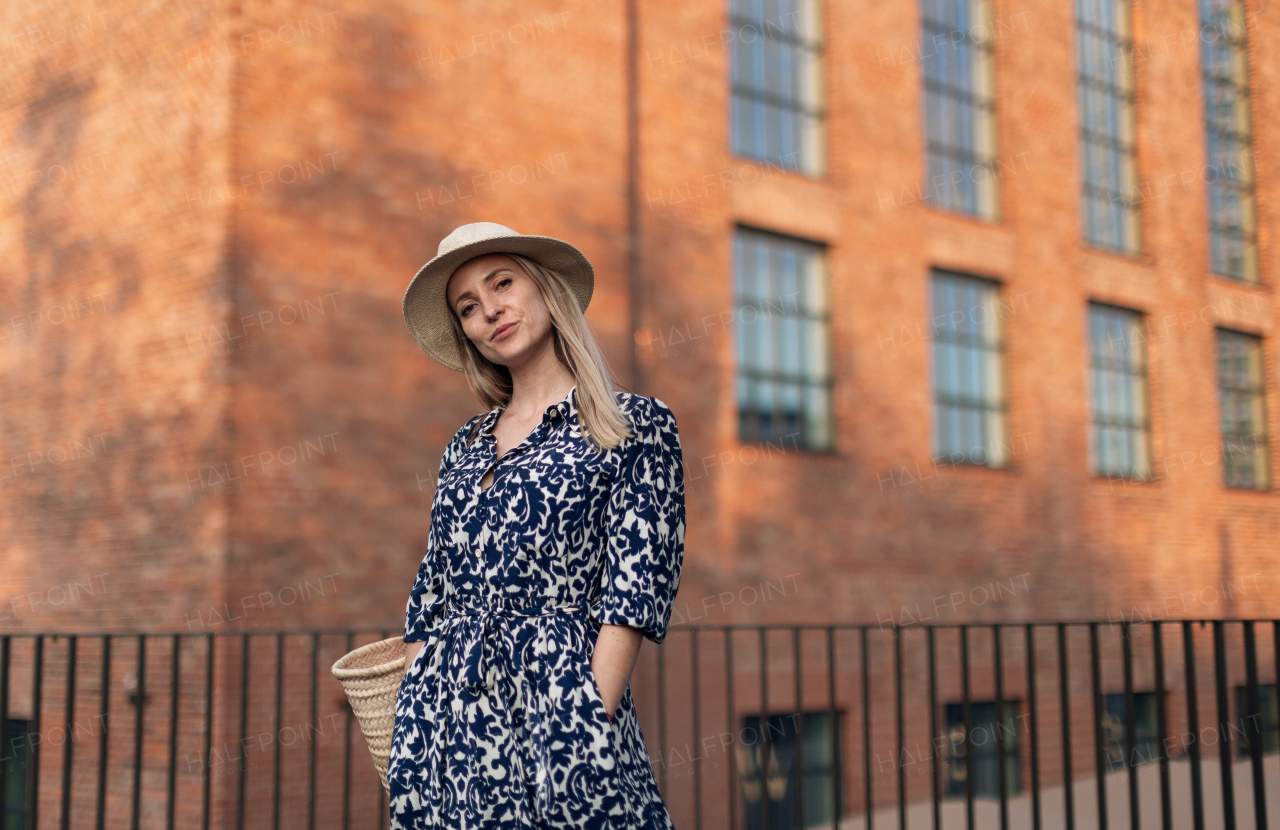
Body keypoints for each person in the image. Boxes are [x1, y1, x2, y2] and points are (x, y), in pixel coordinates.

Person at [389, 221, 686, 829]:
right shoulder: (463, 448)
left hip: (563, 715)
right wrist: (416, 723)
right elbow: (431, 595)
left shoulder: (633, 426)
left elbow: (632, 596)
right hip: (447, 726)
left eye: (503, 283)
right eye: (468, 307)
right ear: (466, 333)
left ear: (546, 292)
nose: (490, 310)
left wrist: (581, 729)